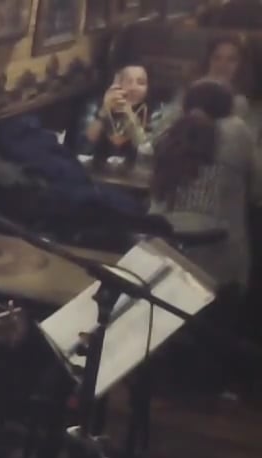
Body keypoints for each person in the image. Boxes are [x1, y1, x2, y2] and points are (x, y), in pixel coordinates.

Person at [151, 77, 259, 292]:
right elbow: (257, 190)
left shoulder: (169, 133)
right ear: (227, 107)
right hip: (218, 264)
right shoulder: (237, 131)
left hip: (160, 252)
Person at [153, 36, 257, 142]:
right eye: (217, 58)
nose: (222, 65)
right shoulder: (190, 91)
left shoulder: (241, 103)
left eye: (231, 60)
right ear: (208, 61)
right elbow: (163, 125)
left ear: (241, 65)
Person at [78, 64, 165, 163]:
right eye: (128, 81)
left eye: (141, 83)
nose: (133, 87)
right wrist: (104, 111)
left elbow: (149, 151)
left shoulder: (157, 110)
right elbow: (83, 147)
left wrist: (128, 112)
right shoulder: (95, 104)